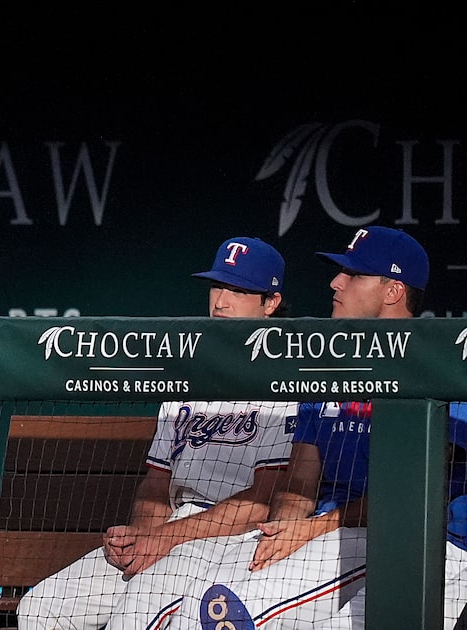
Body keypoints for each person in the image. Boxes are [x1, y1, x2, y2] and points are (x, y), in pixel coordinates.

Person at [15, 236, 296, 630]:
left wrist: (168, 537)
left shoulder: (288, 383)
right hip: (173, 530)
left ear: (271, 303)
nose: (221, 302)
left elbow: (264, 501)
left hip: (234, 540)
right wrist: (140, 538)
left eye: (239, 291)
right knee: (40, 610)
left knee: (136, 619)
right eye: (218, 286)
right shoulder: (187, 376)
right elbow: (155, 485)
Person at [183, 225, 429, 629]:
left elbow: (410, 496)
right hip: (322, 532)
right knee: (193, 592)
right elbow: (299, 485)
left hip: (388, 538)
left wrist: (310, 529)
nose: (336, 282)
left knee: (226, 605)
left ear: (392, 291)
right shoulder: (328, 371)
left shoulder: (430, 370)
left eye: (353, 275)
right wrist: (282, 529)